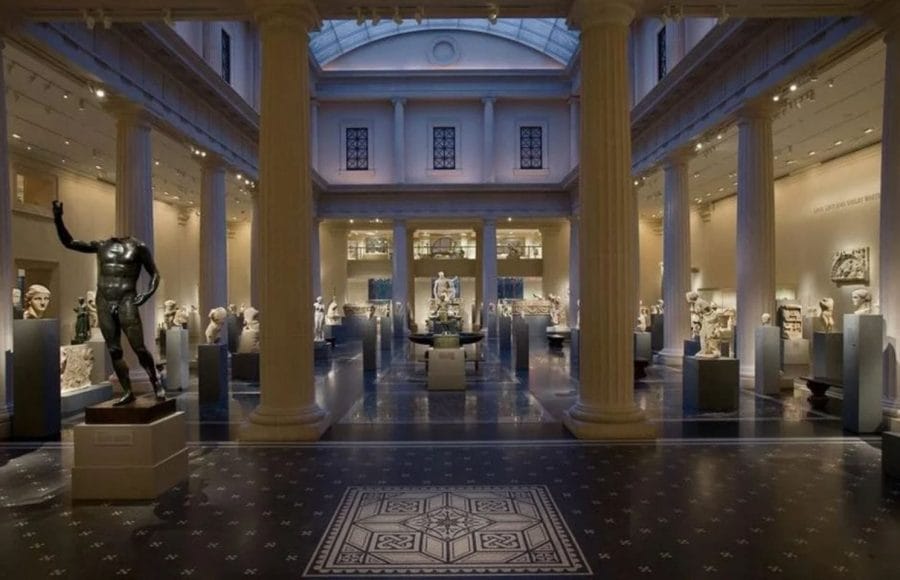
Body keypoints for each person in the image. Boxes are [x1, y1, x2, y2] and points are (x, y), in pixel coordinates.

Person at [52, 200, 164, 405]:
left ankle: (155, 381)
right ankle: (128, 390)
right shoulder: (101, 246)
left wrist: (147, 294)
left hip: (126, 299)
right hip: (104, 299)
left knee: (138, 347)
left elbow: (155, 274)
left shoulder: (138, 247)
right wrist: (58, 219)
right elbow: (69, 242)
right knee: (114, 349)